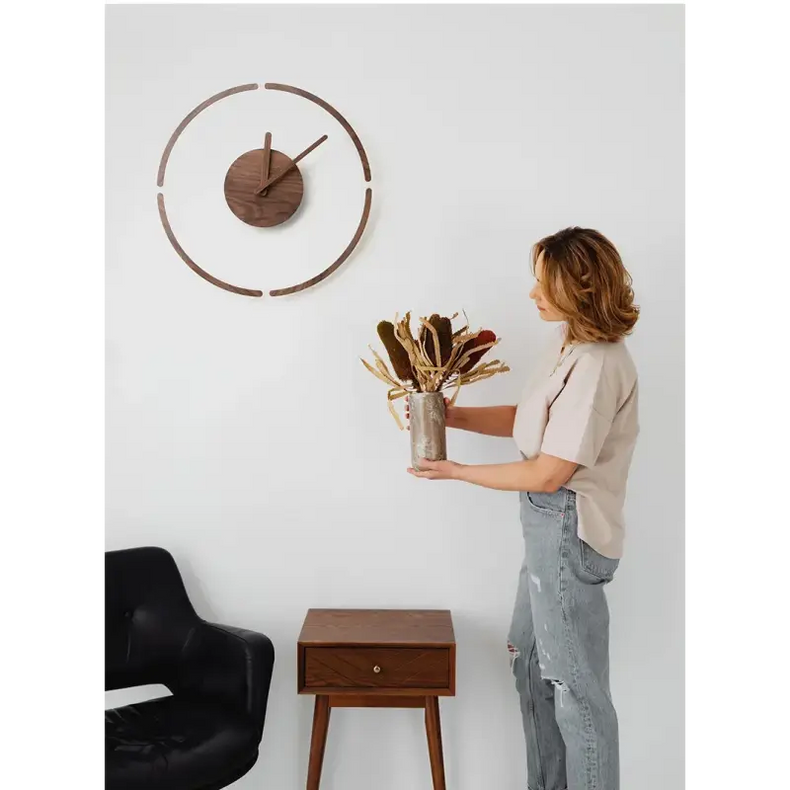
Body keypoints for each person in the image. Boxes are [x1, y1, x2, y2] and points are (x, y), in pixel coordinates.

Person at [408, 227, 640, 790]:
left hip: (568, 528)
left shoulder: (598, 363)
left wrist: (456, 471)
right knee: (530, 664)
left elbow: (549, 472)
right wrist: (448, 415)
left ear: (578, 287)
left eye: (543, 282)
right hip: (546, 525)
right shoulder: (569, 345)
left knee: (575, 691)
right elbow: (529, 419)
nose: (532, 293)